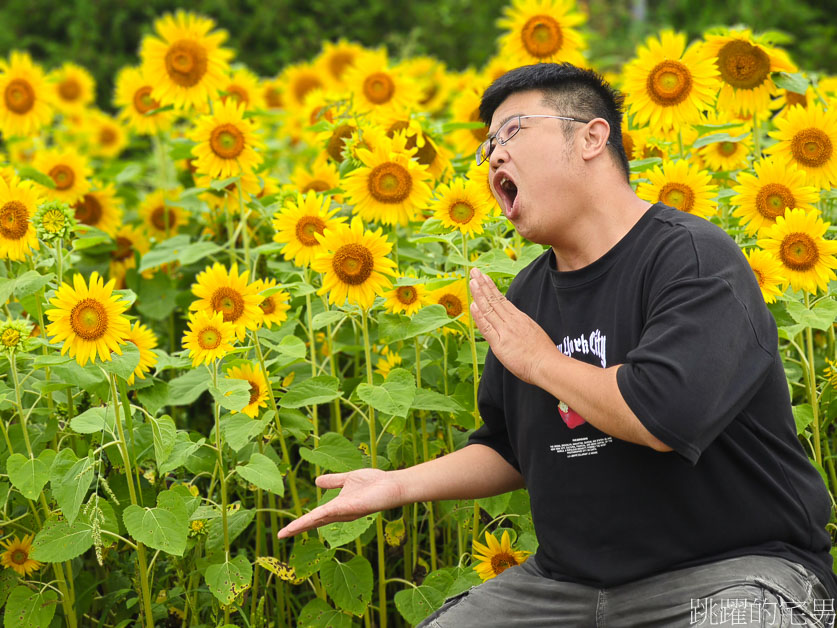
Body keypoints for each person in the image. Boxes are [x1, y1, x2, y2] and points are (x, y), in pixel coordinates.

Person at [277, 63, 837, 627]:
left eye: (514, 129)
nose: (494, 153)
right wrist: (395, 484)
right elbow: (505, 449)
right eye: (487, 143)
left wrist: (541, 360)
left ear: (593, 136)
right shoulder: (527, 294)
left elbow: (662, 416)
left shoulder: (692, 259)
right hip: (565, 590)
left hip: (734, 574)